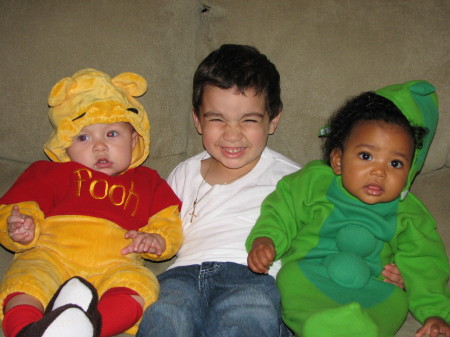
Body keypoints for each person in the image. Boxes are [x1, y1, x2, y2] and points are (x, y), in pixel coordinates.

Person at [137, 44, 404, 337]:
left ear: (273, 120)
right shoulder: (183, 173)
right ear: (197, 120)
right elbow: (163, 230)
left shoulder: (295, 178)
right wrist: (150, 239)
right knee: (165, 314)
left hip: (252, 277)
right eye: (217, 119)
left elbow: (334, 230)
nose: (232, 134)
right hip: (184, 276)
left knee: (250, 314)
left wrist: (382, 269)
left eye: (249, 120)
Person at [246, 80, 450, 337]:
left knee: (394, 303)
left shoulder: (410, 214)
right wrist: (267, 239)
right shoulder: (314, 183)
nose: (379, 171)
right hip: (311, 274)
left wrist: (436, 313)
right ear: (338, 160)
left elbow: (425, 265)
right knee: (291, 282)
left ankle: (354, 328)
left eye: (396, 163)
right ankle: (326, 326)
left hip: (375, 289)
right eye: (366, 156)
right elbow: (282, 208)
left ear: (409, 172)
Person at [0, 69, 183, 337]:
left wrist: (157, 240)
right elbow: (17, 208)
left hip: (116, 261)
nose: (99, 147)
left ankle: (87, 329)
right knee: (27, 282)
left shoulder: (148, 181)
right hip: (51, 254)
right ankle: (28, 330)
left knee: (141, 286)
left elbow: (168, 221)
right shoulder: (49, 172)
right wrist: (20, 227)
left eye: (111, 134)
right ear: (65, 145)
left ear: (133, 140)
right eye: (83, 137)